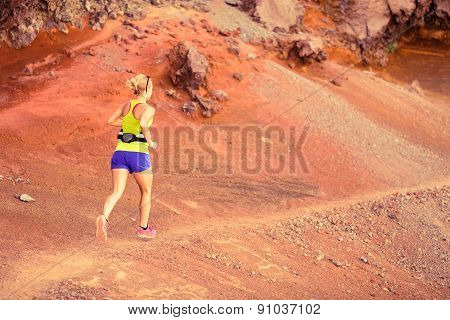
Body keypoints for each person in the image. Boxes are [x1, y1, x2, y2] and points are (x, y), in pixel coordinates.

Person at [96, 74, 157, 241]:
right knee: (146, 191)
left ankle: (104, 217)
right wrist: (150, 141)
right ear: (148, 90)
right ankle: (143, 228)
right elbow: (144, 124)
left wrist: (126, 124)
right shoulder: (148, 109)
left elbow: (110, 121)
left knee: (116, 191)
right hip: (138, 154)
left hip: (120, 154)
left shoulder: (126, 106)